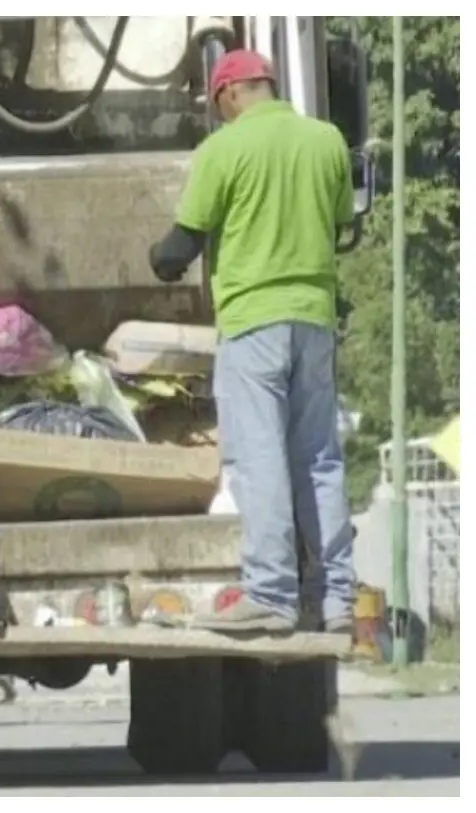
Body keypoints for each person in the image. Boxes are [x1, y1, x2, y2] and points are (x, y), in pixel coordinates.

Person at [147, 50, 356, 635]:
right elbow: (340, 220)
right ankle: (336, 599)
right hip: (314, 323)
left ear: (229, 94)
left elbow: (179, 247)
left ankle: (270, 593)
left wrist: (157, 262)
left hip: (253, 326)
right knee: (319, 459)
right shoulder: (327, 141)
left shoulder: (224, 149)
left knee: (258, 459)